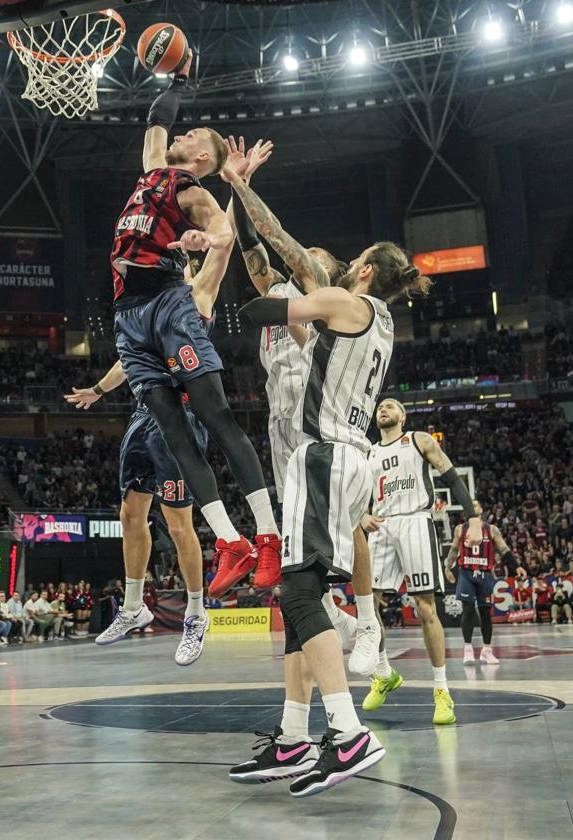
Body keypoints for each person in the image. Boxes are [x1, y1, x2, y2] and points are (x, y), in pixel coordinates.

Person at [227, 179, 433, 796]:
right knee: (298, 600)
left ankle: (347, 734)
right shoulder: (372, 321)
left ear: (362, 269)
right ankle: (294, 736)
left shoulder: (347, 303)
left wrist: (238, 183)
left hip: (325, 456)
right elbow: (268, 270)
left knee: (297, 597)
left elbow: (273, 274)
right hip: (335, 459)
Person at [109, 51, 281, 600]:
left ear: (200, 153)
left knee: (215, 418)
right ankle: (231, 542)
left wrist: (206, 236)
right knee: (171, 434)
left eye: (188, 135)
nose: (176, 135)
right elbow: (157, 118)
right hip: (128, 315)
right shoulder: (153, 173)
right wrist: (179, 77)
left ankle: (267, 534)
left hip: (166, 304)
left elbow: (224, 238)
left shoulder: (192, 192)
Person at [68, 221, 235, 665]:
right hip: (145, 415)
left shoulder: (195, 296)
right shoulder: (144, 310)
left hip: (180, 417)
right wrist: (98, 391)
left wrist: (234, 188)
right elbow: (127, 362)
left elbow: (222, 250)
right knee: (129, 513)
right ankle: (134, 605)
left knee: (179, 524)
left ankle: (197, 615)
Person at [224, 136, 358, 649]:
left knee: (315, 525)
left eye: (314, 253)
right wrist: (239, 192)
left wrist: (239, 182)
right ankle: (332, 617)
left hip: (315, 411)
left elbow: (278, 239)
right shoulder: (279, 293)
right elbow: (252, 248)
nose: (306, 254)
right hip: (279, 414)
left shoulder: (325, 294)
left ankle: (356, 613)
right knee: (292, 528)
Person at [357, 399, 483, 722]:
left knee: (425, 608)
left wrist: (473, 520)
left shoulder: (418, 440)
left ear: (403, 415)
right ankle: (384, 672)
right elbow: (355, 494)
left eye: (390, 405)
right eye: (379, 407)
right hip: (382, 526)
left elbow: (452, 476)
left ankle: (442, 691)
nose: (382, 409)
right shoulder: (368, 452)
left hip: (415, 520)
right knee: (367, 609)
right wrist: (361, 516)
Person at [444, 501, 516, 666]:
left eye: (476, 505)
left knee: (485, 613)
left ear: (481, 509)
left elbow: (504, 550)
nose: (473, 507)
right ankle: (468, 649)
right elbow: (454, 550)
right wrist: (448, 567)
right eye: (470, 505)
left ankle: (487, 650)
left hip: (484, 574)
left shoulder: (491, 529)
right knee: (468, 609)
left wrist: (516, 566)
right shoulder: (460, 529)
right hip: (466, 573)